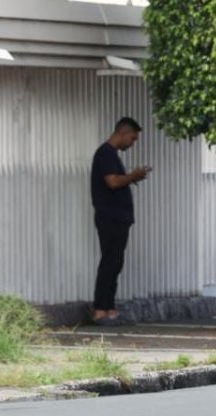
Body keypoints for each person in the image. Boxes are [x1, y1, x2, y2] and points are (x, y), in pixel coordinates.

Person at [90, 117, 150, 326]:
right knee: (110, 261)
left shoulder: (111, 155)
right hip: (110, 217)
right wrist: (133, 175)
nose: (132, 143)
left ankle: (109, 308)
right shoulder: (105, 153)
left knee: (115, 262)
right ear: (123, 133)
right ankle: (101, 309)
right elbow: (113, 181)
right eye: (132, 139)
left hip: (118, 217)